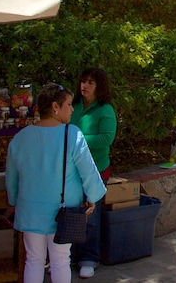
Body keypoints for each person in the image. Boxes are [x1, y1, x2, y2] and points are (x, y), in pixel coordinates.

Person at [6, 84, 107, 283]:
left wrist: (13, 200)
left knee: (33, 260)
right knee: (60, 260)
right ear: (55, 106)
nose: (72, 109)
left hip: (29, 211)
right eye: (68, 104)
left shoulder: (20, 139)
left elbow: (12, 178)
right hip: (63, 213)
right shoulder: (73, 135)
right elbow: (88, 172)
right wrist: (93, 198)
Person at [69, 68, 117, 279]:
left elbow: (105, 139)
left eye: (90, 82)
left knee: (91, 216)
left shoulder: (105, 110)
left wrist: (77, 140)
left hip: (96, 171)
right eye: (83, 81)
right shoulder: (73, 107)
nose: (85, 86)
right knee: (70, 213)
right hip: (72, 170)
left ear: (99, 87)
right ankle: (68, 257)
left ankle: (89, 258)